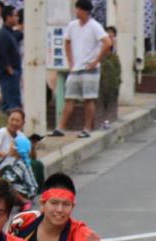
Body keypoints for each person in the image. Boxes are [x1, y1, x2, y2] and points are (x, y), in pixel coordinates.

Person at [51, 0, 112, 138]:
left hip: (90, 69)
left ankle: (87, 128)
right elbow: (67, 41)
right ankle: (61, 127)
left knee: (88, 99)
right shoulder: (72, 25)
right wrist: (70, 61)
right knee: (69, 98)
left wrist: (96, 60)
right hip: (76, 68)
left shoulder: (95, 26)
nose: (76, 11)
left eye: (78, 9)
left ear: (85, 11)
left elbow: (107, 43)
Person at [0, 3, 23, 110]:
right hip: (8, 75)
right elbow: (1, 53)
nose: (17, 18)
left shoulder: (10, 33)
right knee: (12, 104)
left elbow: (19, 35)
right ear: (8, 17)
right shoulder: (3, 34)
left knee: (10, 103)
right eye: (15, 16)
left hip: (13, 73)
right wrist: (9, 69)